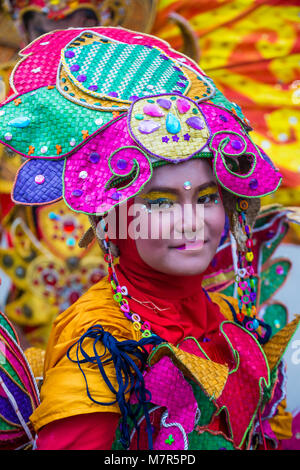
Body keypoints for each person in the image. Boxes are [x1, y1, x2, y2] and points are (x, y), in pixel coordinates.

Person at [0, 26, 298, 451]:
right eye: (160, 202)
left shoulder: (230, 315)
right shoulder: (102, 343)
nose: (191, 221)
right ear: (112, 221)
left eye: (208, 196)